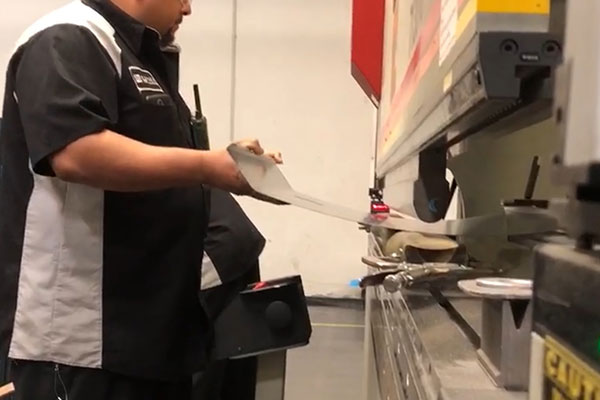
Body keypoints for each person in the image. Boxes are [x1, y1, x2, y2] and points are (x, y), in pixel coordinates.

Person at [0, 0, 281, 398]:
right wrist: (209, 166)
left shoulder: (137, 57)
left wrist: (228, 162)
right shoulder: (69, 36)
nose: (187, 9)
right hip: (84, 345)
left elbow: (158, 164)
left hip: (148, 336)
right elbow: (75, 152)